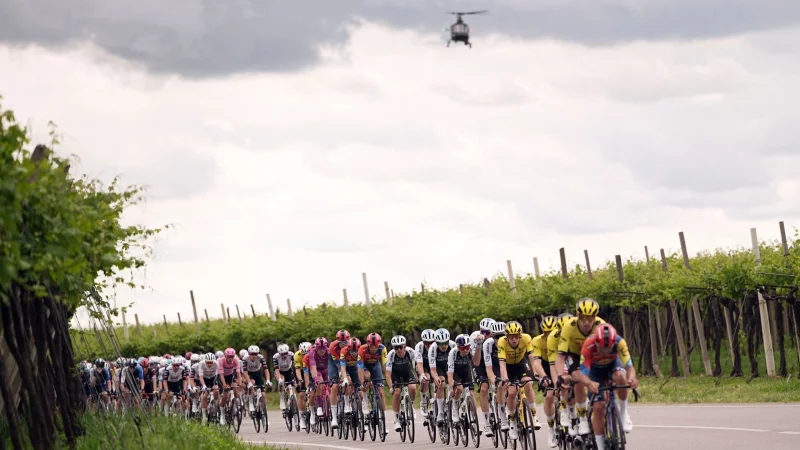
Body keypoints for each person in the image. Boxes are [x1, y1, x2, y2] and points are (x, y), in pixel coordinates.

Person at [577, 323, 638, 450]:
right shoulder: (589, 344)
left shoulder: (619, 342)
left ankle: (623, 412)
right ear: (597, 342)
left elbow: (629, 366)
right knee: (598, 408)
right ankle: (600, 446)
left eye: (608, 348)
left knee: (621, 376)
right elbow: (582, 373)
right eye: (602, 348)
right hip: (595, 372)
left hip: (613, 366)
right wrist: (589, 383)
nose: (605, 351)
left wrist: (631, 378)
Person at [556, 298, 606, 436]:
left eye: (590, 318)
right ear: (577, 315)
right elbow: (560, 356)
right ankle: (583, 419)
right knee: (577, 378)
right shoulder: (568, 326)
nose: (586, 322)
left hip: (594, 354)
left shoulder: (601, 325)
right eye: (583, 318)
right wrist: (561, 375)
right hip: (574, 355)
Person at [531, 315, 559, 447]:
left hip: (560, 363)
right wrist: (543, 376)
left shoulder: (562, 337)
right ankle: (551, 428)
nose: (549, 335)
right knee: (549, 396)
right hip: (546, 367)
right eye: (546, 332)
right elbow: (537, 362)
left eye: (551, 332)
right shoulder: (537, 340)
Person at [386, 335, 417, 432]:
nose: (399, 350)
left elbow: (416, 366)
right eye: (396, 347)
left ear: (405, 346)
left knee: (412, 387)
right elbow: (388, 374)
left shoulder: (411, 352)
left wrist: (418, 376)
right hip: (395, 374)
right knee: (397, 393)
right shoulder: (391, 355)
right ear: (393, 348)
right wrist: (391, 387)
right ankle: (396, 420)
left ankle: (411, 405)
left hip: (407, 371)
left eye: (401, 347)